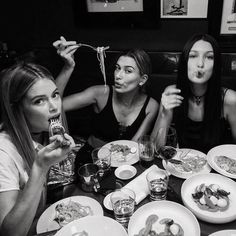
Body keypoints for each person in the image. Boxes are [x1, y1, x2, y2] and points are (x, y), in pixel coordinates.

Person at [53, 37, 159, 171]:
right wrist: (68, 67)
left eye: (128, 71)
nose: (118, 75)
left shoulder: (151, 106)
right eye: (117, 68)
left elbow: (134, 146)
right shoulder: (100, 93)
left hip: (125, 164)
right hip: (91, 161)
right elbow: (53, 107)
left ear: (142, 80)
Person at [0, 62, 75, 236]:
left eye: (55, 95)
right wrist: (40, 168)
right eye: (39, 101)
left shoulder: (42, 131)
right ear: (17, 109)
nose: (55, 106)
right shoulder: (4, 152)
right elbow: (10, 233)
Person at [151, 33, 236, 154]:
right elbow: (156, 149)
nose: (200, 64)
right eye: (193, 56)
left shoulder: (230, 99)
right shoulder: (172, 93)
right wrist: (164, 113)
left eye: (209, 57)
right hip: (182, 167)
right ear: (184, 61)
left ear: (216, 64)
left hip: (216, 170)